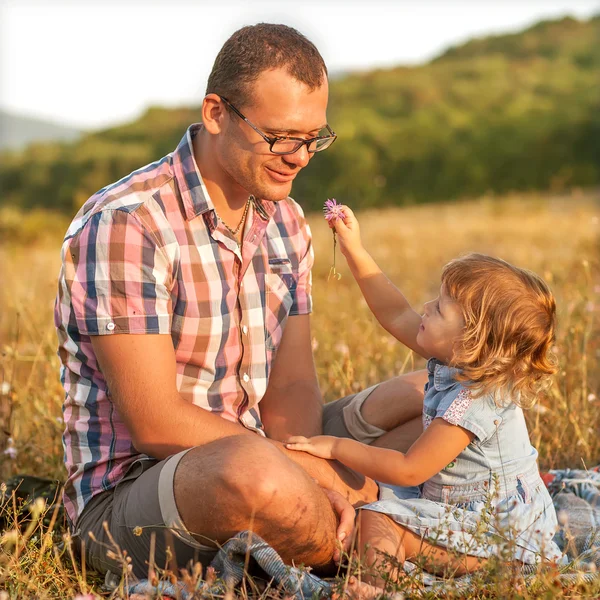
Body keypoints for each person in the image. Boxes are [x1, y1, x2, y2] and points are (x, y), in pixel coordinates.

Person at [54, 24, 427, 579]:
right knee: (252, 474)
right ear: (215, 113)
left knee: (442, 394)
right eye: (279, 136)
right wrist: (309, 472)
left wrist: (307, 458)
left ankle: (369, 523)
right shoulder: (128, 223)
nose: (299, 158)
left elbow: (294, 386)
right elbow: (156, 423)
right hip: (140, 491)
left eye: (313, 138)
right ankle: (396, 535)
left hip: (267, 448)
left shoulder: (287, 221)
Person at [287, 205, 562, 592]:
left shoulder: (474, 402)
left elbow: (409, 470)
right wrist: (354, 249)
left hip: (496, 536)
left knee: (374, 522)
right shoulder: (460, 363)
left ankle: (385, 587)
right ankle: (402, 581)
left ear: (472, 342)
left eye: (440, 308)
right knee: (375, 522)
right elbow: (396, 313)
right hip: (458, 511)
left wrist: (336, 446)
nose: (427, 308)